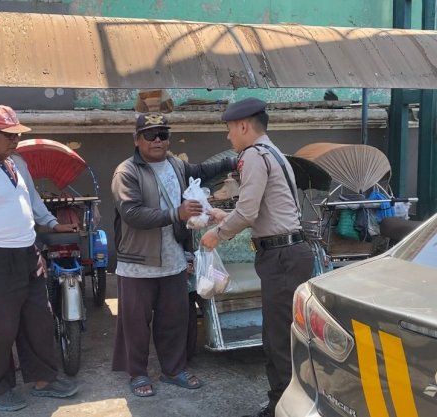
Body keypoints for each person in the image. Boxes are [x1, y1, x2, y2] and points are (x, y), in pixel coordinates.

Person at [0, 105, 79, 412]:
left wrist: (49, 225)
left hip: (27, 255)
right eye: (8, 135)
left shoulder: (15, 164)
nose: (15, 140)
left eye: (17, 134)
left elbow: (30, 202)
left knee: (38, 319)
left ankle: (43, 379)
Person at [200, 98, 314, 417]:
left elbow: (249, 212)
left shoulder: (251, 156)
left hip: (281, 257)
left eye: (229, 130)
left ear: (244, 126)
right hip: (289, 253)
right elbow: (262, 211)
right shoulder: (272, 152)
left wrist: (217, 235)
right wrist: (220, 215)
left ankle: (282, 405)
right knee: (286, 335)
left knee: (278, 339)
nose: (228, 137)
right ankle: (288, 400)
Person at [111, 112, 235, 397]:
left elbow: (203, 171)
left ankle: (173, 370)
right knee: (135, 325)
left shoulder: (176, 165)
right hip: (138, 263)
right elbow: (131, 214)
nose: (158, 140)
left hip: (174, 260)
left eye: (163, 135)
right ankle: (138, 374)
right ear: (137, 139)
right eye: (151, 135)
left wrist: (234, 159)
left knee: (174, 320)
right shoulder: (126, 172)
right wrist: (175, 213)